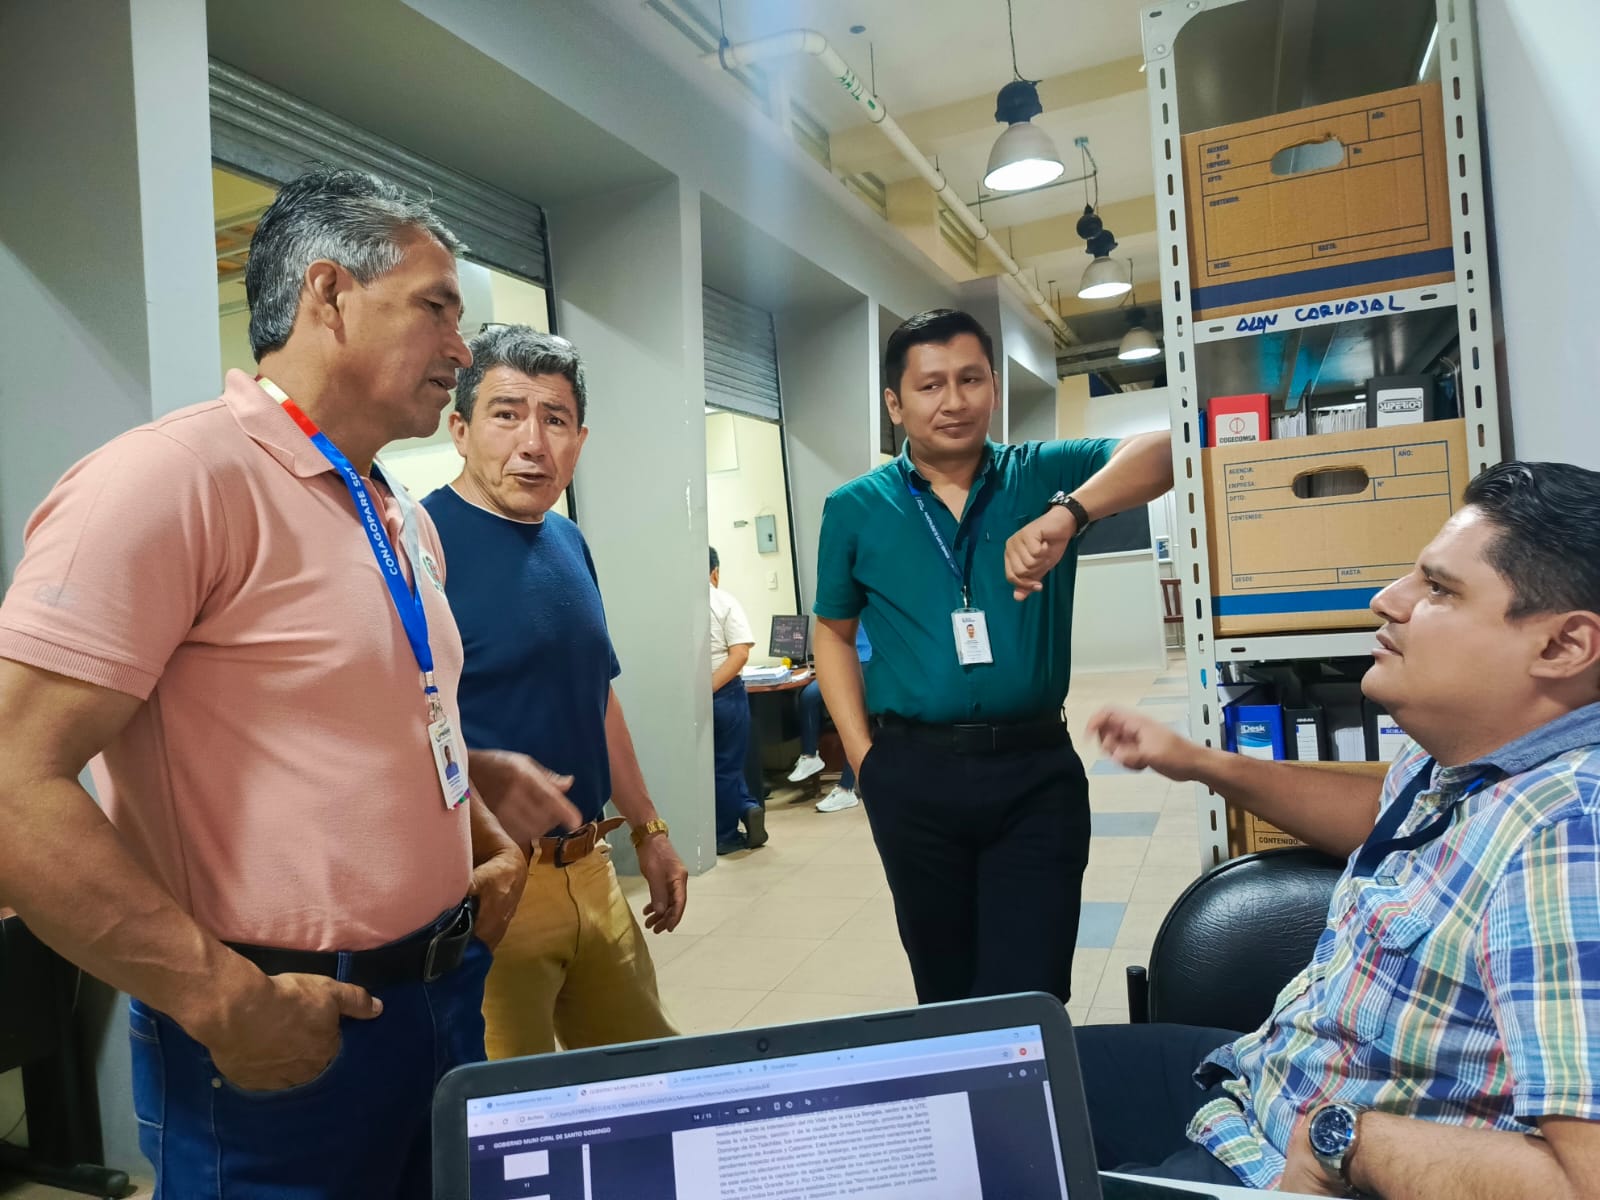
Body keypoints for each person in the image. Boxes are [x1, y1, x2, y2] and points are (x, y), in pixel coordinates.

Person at [0, 169, 582, 1199]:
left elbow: (390, 719)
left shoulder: (394, 513)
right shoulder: (169, 480)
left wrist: (480, 833)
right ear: (329, 295)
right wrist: (221, 1000)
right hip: (284, 1035)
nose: (462, 349)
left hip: (441, 1001)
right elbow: (13, 782)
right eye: (437, 309)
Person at [1077, 460, 1600, 1198]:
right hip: (1260, 1079)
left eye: (1439, 589)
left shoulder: (1570, 838)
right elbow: (1382, 821)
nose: (1386, 599)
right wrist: (1198, 763)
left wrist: (1351, 1142)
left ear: (1562, 646)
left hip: (1284, 1159)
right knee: (997, 1069)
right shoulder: (1467, 756)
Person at [813, 307, 1173, 1005]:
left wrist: (1069, 513)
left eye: (971, 379)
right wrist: (864, 759)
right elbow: (832, 632)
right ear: (895, 403)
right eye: (930, 385)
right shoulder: (854, 507)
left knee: (1032, 989)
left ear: (994, 388)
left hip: (1034, 771)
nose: (954, 401)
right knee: (944, 988)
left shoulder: (1041, 474)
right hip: (912, 772)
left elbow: (1165, 450)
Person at [420, 325, 687, 1058]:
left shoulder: (568, 541)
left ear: (580, 440)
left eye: (556, 419)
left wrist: (650, 831)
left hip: (592, 866)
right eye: (506, 415)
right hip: (490, 879)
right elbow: (391, 727)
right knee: (512, 1105)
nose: (533, 443)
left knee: (649, 1075)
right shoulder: (420, 545)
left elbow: (598, 696)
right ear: (459, 429)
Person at [710, 548, 769, 855]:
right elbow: (741, 653)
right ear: (714, 572)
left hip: (686, 699)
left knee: (714, 767)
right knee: (727, 765)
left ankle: (746, 806)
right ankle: (726, 834)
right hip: (724, 694)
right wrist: (709, 688)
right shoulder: (723, 601)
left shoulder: (675, 606)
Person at [788, 625, 873, 812]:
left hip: (867, 660)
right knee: (808, 696)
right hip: (841, 660)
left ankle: (846, 789)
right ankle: (810, 756)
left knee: (854, 722)